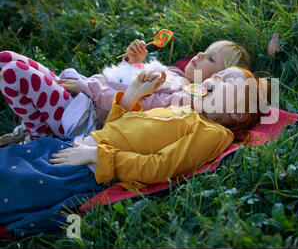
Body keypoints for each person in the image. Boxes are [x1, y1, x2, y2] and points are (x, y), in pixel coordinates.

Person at [0, 66, 269, 238]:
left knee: (13, 182)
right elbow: (117, 130)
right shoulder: (185, 109)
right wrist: (131, 95)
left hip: (86, 169)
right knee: (11, 161)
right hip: (76, 143)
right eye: (221, 73)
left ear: (237, 112)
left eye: (229, 80)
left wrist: (98, 157)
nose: (218, 75)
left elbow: (160, 168)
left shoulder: (213, 133)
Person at [0, 39, 251, 143]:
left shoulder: (186, 99)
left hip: (83, 118)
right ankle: (38, 129)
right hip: (83, 97)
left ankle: (41, 137)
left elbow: (135, 104)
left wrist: (85, 86)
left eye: (210, 59)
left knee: (14, 75)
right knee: (6, 58)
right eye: (205, 50)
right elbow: (127, 82)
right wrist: (134, 62)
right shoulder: (174, 74)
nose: (198, 55)